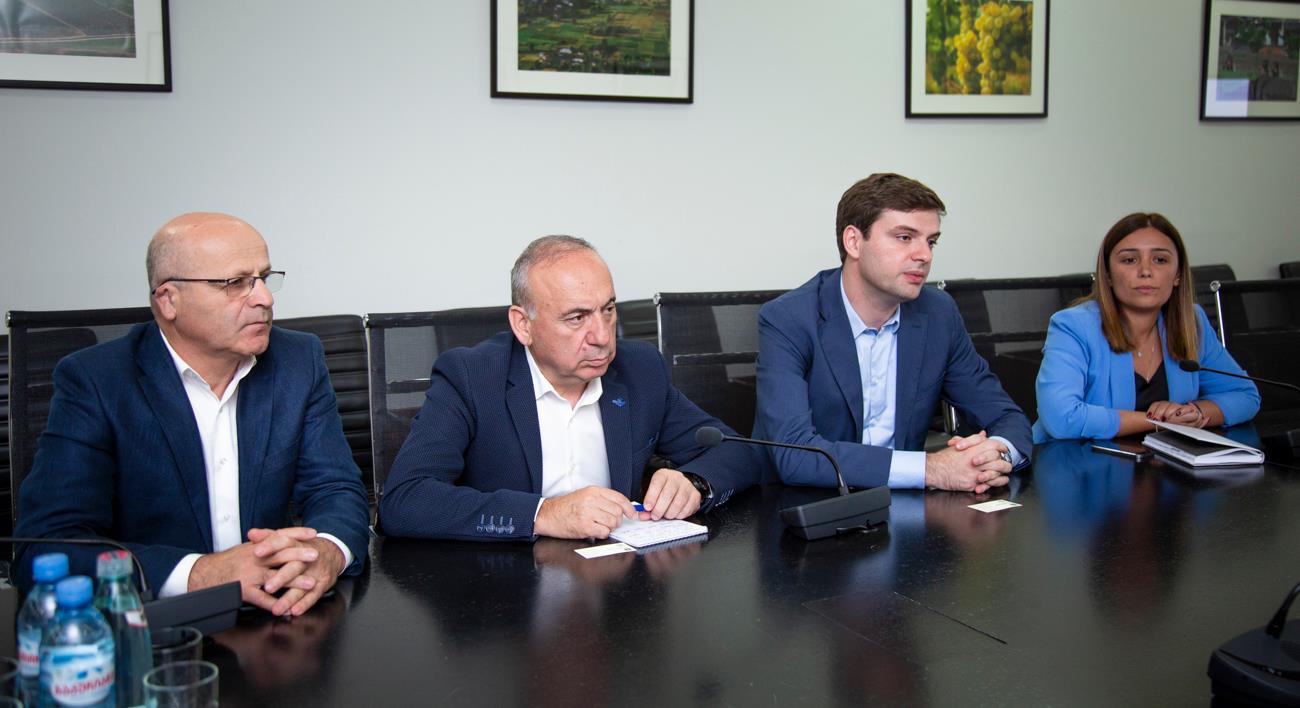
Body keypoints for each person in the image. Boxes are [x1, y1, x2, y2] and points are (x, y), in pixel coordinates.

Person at [14, 213, 370, 617]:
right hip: (153, 627)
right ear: (169, 300)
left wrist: (325, 551)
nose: (265, 299)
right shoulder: (96, 380)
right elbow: (48, 544)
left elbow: (335, 489)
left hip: (280, 615)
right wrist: (200, 574)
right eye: (236, 283)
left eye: (264, 278)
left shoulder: (298, 360)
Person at [378, 235, 764, 541]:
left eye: (607, 310)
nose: (602, 337)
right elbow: (404, 500)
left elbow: (739, 451)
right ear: (523, 325)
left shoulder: (638, 369)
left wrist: (694, 483)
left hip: (620, 589)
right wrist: (544, 514)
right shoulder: (471, 377)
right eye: (577, 318)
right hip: (506, 592)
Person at [754, 173, 1032, 494]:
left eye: (931, 241)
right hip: (804, 505)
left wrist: (995, 456)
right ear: (854, 242)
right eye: (904, 237)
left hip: (902, 506)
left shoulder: (938, 314)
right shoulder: (789, 319)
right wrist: (932, 469)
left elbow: (1007, 417)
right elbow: (795, 454)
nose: (924, 255)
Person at [1033, 213, 1260, 442]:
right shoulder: (1073, 326)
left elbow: (1245, 395)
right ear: (1108, 275)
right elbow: (1061, 418)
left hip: (1162, 459)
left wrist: (1193, 413)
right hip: (1075, 460)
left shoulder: (1192, 322)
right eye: (1129, 260)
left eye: (1160, 260)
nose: (1145, 271)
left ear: (1178, 275)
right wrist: (1159, 422)